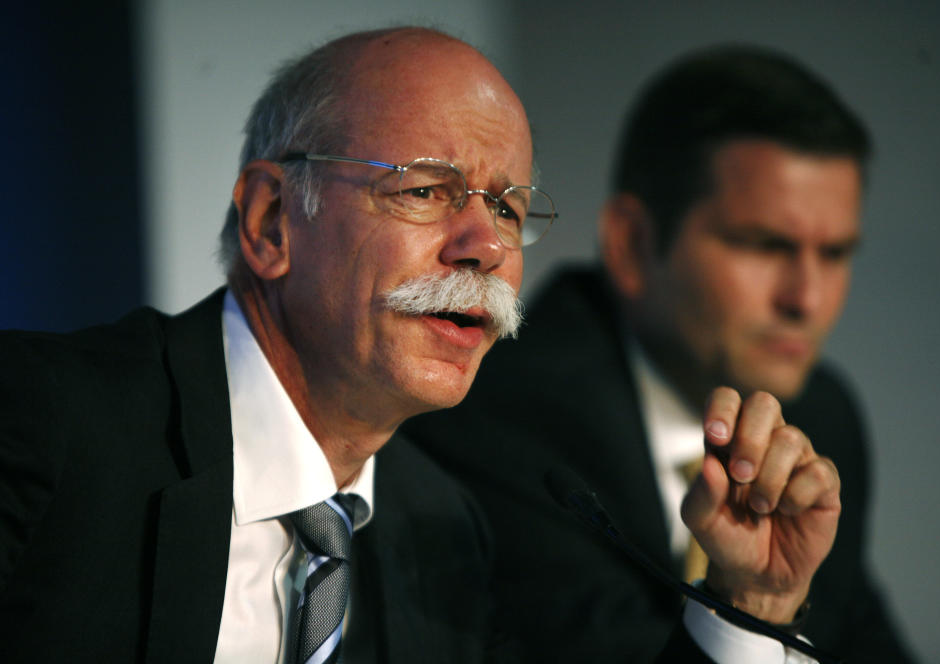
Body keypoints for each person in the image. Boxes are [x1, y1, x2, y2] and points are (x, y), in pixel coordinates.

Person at [0, 29, 842, 664]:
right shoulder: (43, 424)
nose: (484, 246)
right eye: (425, 189)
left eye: (509, 208)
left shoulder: (438, 526)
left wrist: (751, 603)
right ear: (269, 222)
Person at [403, 44, 916, 663]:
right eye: (763, 245)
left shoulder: (821, 413)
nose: (805, 298)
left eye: (834, 254)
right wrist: (750, 603)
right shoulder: (501, 406)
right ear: (632, 243)